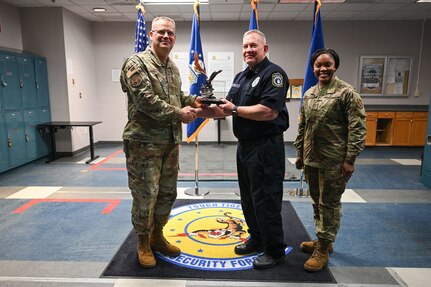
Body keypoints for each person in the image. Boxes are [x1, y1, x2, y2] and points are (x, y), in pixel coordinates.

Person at [190, 29, 290, 269]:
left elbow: (269, 111)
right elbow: (225, 108)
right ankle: (256, 238)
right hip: (245, 147)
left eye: (253, 46)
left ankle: (275, 250)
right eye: (245, 46)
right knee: (249, 199)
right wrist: (196, 111)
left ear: (265, 49)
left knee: (266, 200)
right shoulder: (241, 76)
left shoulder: (273, 74)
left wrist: (234, 109)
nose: (248, 50)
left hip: (266, 148)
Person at [120, 16, 204, 268]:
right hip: (143, 144)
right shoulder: (136, 63)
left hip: (169, 142)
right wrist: (179, 113)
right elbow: (145, 100)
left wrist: (194, 102)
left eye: (171, 33)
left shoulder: (172, 67)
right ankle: (143, 243)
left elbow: (178, 96)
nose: (166, 36)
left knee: (167, 193)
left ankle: (157, 235)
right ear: (152, 34)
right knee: (146, 194)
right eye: (161, 32)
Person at [294, 48, 366, 272]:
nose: (323, 69)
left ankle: (323, 249)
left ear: (335, 66)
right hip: (312, 159)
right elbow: (303, 126)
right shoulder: (309, 93)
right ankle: (323, 240)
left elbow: (358, 128)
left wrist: (350, 159)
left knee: (330, 204)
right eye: (318, 65)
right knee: (317, 202)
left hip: (335, 161)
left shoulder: (347, 93)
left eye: (327, 64)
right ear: (313, 67)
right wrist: (299, 154)